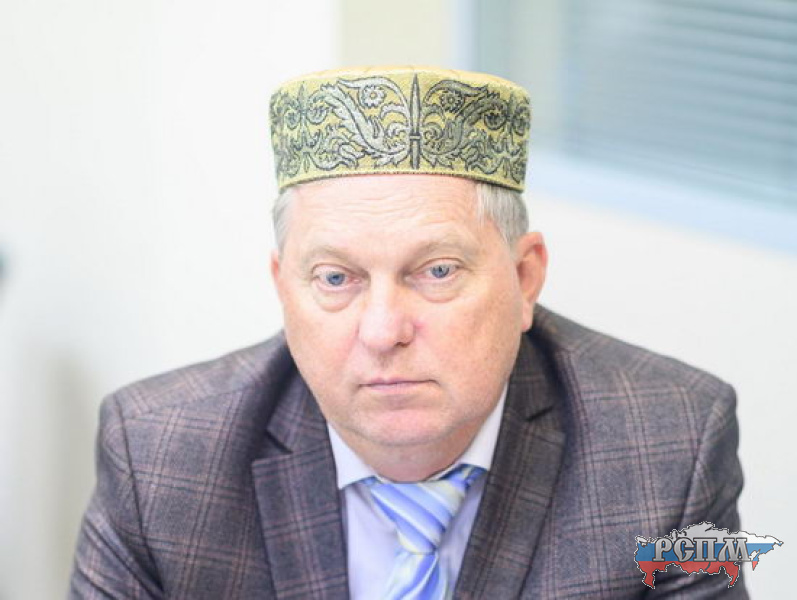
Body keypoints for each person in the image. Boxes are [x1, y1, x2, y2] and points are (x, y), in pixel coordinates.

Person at [69, 66, 746, 598]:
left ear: (524, 278)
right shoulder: (157, 454)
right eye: (337, 278)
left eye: (436, 271)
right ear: (283, 288)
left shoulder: (672, 442)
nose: (383, 330)